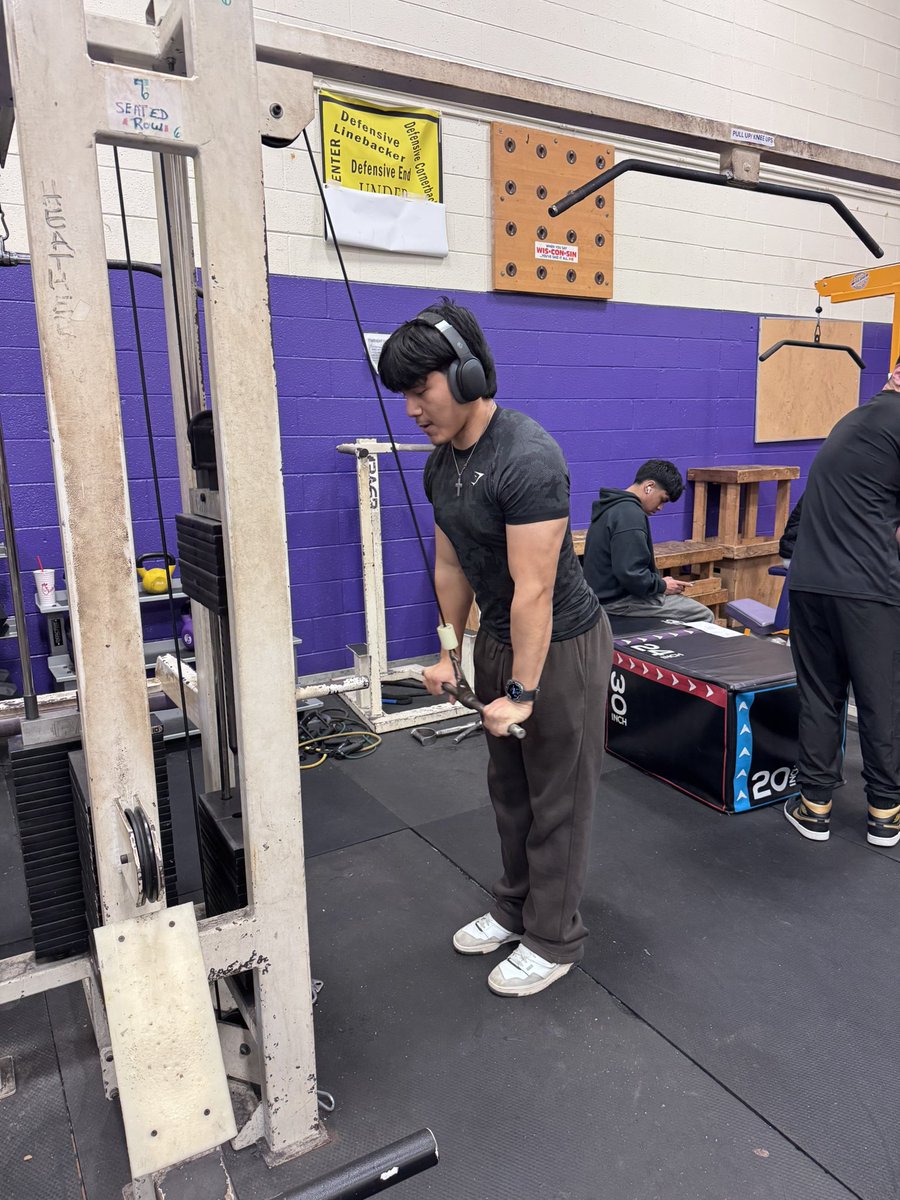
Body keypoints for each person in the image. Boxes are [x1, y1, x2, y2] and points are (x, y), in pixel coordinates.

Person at [378, 299, 612, 998]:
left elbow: (534, 590)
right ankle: (515, 908)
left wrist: (524, 693)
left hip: (560, 646)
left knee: (558, 797)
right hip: (501, 642)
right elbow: (452, 567)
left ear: (468, 374)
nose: (412, 410)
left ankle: (554, 936)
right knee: (509, 791)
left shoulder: (527, 457)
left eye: (421, 389)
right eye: (403, 395)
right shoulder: (441, 466)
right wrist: (450, 652)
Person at [784, 357, 900, 846]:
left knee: (820, 694)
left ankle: (814, 807)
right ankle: (885, 813)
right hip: (866, 587)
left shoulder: (850, 423)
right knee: (881, 698)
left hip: (809, 582)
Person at [581, 460, 714, 624]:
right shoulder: (630, 515)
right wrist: (662, 586)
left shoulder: (611, 508)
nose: (660, 508)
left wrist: (659, 584)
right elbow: (631, 574)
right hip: (618, 602)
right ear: (649, 486)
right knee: (703, 615)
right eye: (662, 499)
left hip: (603, 597)